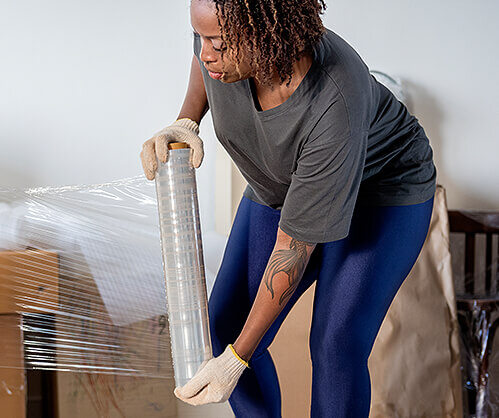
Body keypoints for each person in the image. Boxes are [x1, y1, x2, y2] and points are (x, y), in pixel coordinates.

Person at [139, 0, 437, 416]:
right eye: (200, 37)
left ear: (265, 36)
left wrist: (238, 359)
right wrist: (187, 120)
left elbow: (292, 247)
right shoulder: (225, 35)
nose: (206, 54)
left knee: (336, 343)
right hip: (283, 181)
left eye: (218, 43)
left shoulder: (333, 97)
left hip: (383, 191)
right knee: (224, 327)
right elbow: (203, 58)